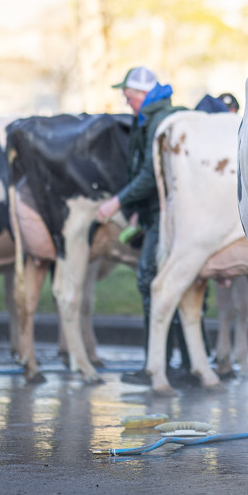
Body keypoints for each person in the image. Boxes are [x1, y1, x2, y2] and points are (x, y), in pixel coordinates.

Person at [95, 66, 184, 386]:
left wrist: (116, 203)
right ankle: (182, 364)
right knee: (175, 284)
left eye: (128, 95)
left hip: (166, 213)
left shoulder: (156, 120)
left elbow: (149, 174)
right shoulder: (153, 116)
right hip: (160, 210)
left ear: (143, 94)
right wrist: (139, 212)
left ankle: (158, 365)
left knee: (150, 279)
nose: (126, 101)